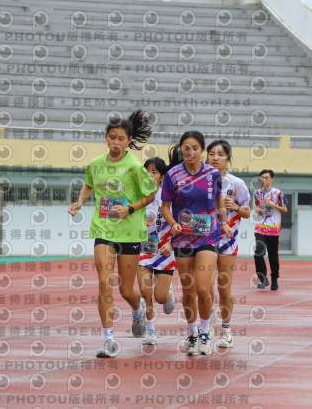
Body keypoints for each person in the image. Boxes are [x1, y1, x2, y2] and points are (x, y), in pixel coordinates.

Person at [68, 110, 157, 358]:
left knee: (126, 290)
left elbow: (150, 194)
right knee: (104, 283)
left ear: (129, 140)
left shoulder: (135, 167)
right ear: (106, 137)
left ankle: (137, 309)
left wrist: (130, 209)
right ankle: (109, 340)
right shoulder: (96, 164)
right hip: (103, 229)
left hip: (129, 233)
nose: (115, 142)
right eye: (111, 137)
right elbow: (89, 184)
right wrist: (79, 202)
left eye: (121, 138)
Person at [161, 131, 233, 356]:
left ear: (202, 149)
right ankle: (192, 334)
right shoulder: (173, 174)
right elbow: (165, 206)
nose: (190, 152)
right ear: (181, 149)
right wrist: (173, 223)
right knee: (188, 291)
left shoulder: (212, 174)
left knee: (203, 287)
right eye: (186, 148)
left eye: (195, 148)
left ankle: (204, 334)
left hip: (207, 236)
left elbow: (219, 202)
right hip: (182, 239)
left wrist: (224, 222)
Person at [206, 140, 250, 348]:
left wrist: (235, 207)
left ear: (228, 159)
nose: (215, 158)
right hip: (204, 239)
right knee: (204, 286)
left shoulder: (236, 184)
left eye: (220, 154)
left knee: (224, 287)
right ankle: (208, 318)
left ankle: (226, 329)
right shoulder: (200, 181)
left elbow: (247, 212)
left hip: (227, 241)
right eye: (211, 153)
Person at [137, 157, 177, 346]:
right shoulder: (136, 195)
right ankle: (150, 330)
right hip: (143, 249)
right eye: (147, 171)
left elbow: (180, 223)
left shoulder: (169, 197)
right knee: (145, 292)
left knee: (160, 297)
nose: (150, 175)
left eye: (154, 172)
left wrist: (172, 244)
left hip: (164, 251)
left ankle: (168, 295)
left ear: (161, 177)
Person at [253, 169, 288, 291]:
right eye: (262, 178)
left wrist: (272, 205)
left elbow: (284, 209)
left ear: (272, 179)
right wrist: (257, 210)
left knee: (273, 256)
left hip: (273, 230)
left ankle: (274, 279)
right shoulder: (257, 193)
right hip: (260, 228)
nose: (264, 180)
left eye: (267, 177)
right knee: (258, 253)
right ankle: (263, 279)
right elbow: (258, 207)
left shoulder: (278, 193)